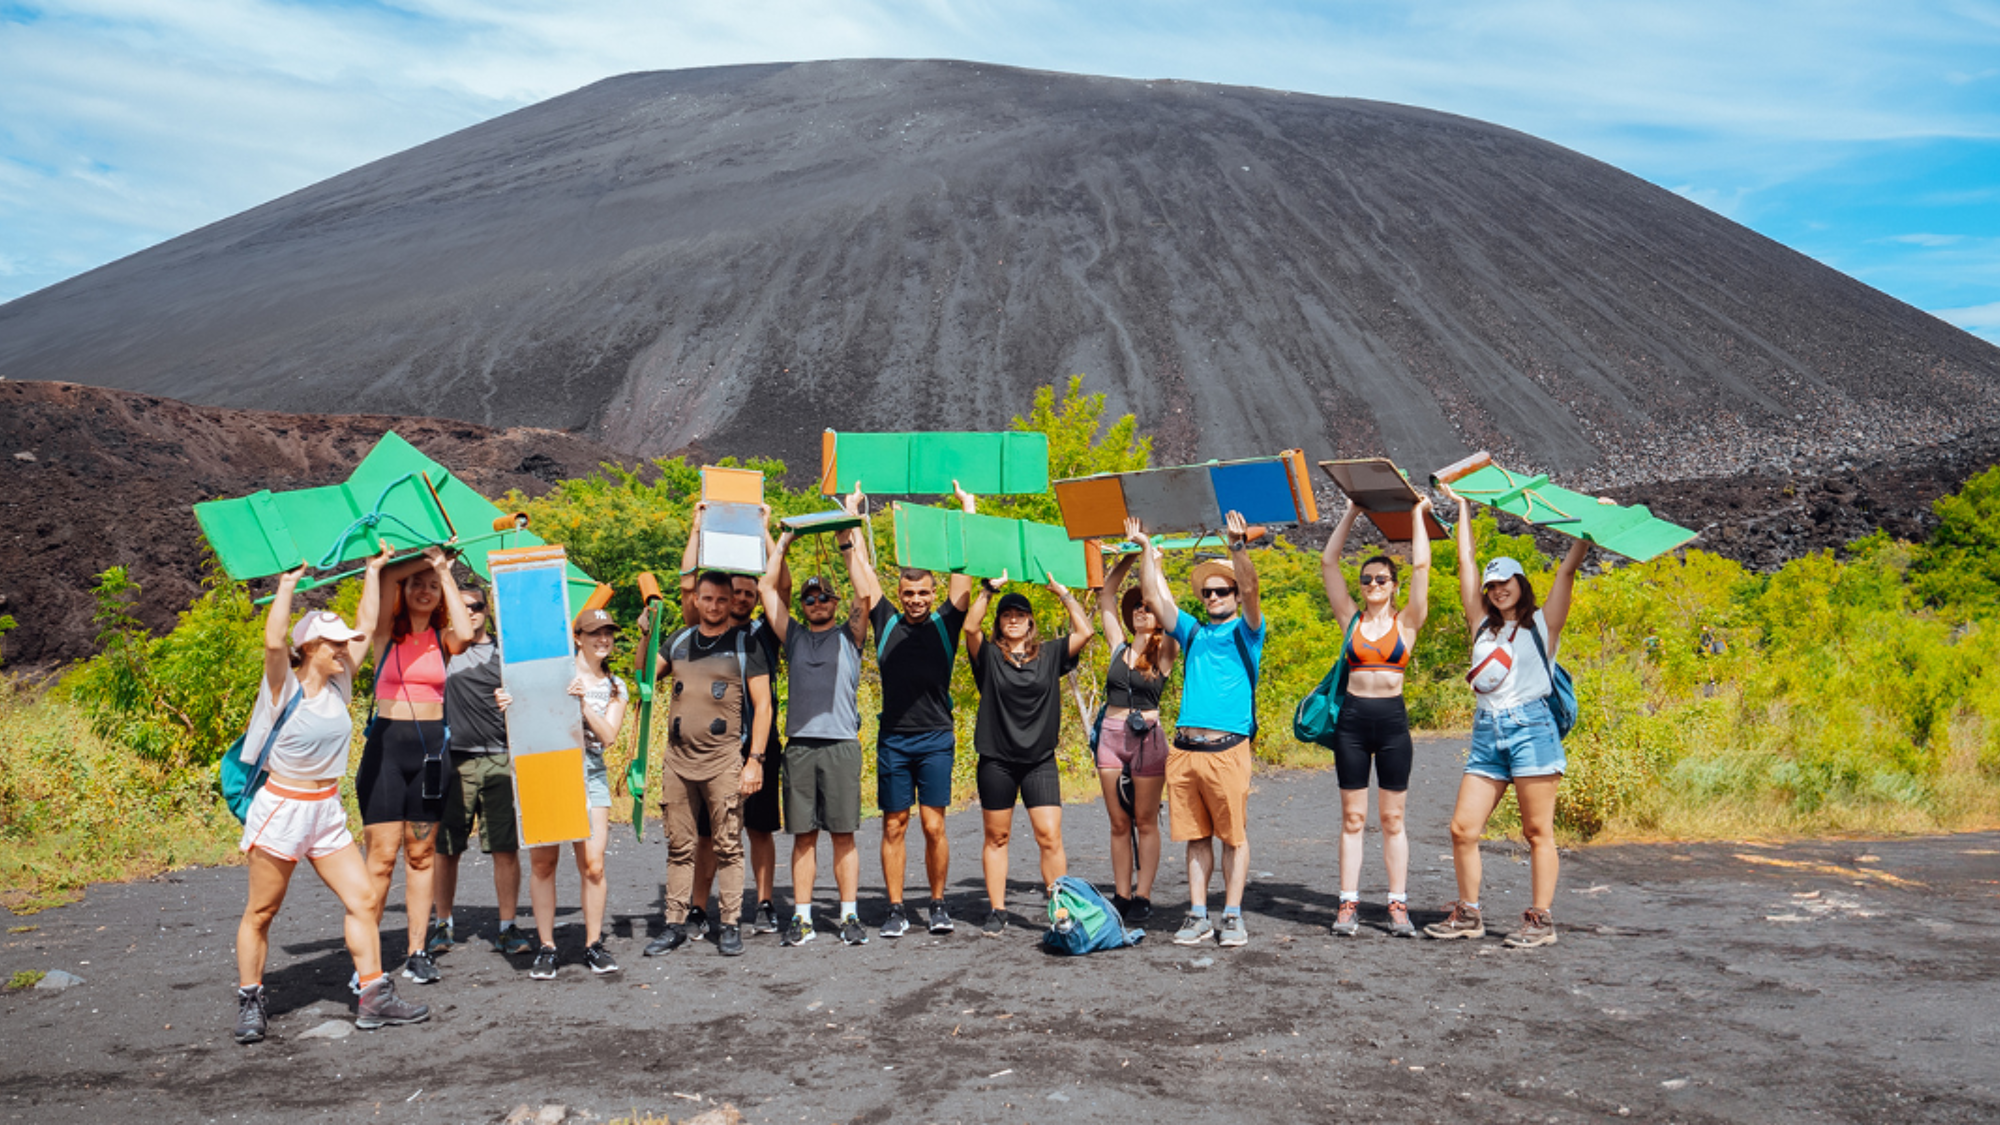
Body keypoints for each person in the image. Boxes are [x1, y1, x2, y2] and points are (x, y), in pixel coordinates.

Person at [234, 547, 428, 1042]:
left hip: (325, 811)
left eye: (345, 645)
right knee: (262, 911)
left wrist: (372, 570)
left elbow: (368, 620)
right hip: (282, 807)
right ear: (311, 647)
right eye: (334, 644)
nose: (344, 650)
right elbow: (274, 640)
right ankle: (251, 1000)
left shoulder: (341, 685)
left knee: (364, 899)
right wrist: (286, 586)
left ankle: (373, 996)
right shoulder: (282, 687)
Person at [1424, 483, 1588, 948]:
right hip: (1487, 732)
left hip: (1532, 728)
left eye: (1505, 583)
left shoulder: (1542, 624)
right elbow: (1465, 565)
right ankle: (1469, 913)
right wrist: (1462, 510)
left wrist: (1588, 531)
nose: (1497, 590)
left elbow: (1568, 573)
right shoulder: (1481, 625)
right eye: (1491, 585)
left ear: (1521, 584)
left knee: (1537, 831)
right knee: (1463, 828)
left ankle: (1540, 920)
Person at [1133, 512, 1265, 948]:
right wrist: (1146, 550)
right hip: (1186, 750)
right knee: (1194, 837)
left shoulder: (1248, 631)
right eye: (1207, 592)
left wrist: (1238, 548)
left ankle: (1232, 915)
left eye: (1220, 590)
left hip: (1228, 748)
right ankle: (1197, 914)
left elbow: (1252, 590)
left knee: (1233, 837)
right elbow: (1153, 595)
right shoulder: (1193, 633)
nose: (1212, 596)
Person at [757, 487, 879, 947]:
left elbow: (865, 593)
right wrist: (781, 542)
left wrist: (848, 530)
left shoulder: (851, 636)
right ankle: (803, 918)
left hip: (843, 744)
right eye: (809, 600)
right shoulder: (793, 637)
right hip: (801, 747)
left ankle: (848, 916)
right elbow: (769, 589)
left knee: (844, 835)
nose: (817, 604)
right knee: (803, 837)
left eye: (823, 598)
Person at [1318, 498, 1434, 938]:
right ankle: (1348, 903)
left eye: (1380, 578)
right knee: (1352, 818)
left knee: (1392, 820)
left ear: (1394, 585)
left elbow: (1422, 568)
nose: (1371, 583)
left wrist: (1415, 517)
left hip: (1391, 724)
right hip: (1351, 722)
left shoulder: (1407, 623)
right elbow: (1329, 562)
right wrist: (1351, 512)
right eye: (1366, 579)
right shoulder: (1350, 619)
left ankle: (1397, 904)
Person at [362, 545, 477, 985]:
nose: (425, 591)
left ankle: (416, 950)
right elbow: (387, 575)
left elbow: (465, 633)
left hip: (431, 754)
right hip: (386, 752)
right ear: (404, 589)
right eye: (418, 585)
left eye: (433, 588)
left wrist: (445, 572)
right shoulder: (382, 634)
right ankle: (367, 955)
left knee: (422, 853)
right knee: (381, 860)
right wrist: (426, 559)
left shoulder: (442, 640)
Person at [644, 570, 773, 958]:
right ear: (696, 600)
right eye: (708, 599)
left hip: (723, 762)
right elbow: (644, 675)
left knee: (728, 845)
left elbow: (764, 705)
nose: (715, 606)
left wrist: (755, 761)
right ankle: (674, 924)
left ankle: (730, 923)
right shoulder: (680, 640)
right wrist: (648, 632)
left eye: (722, 599)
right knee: (679, 846)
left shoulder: (745, 644)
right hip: (678, 762)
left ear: (730, 601)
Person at [870, 483, 978, 937]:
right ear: (900, 593)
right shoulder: (885, 620)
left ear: (933, 594)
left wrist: (967, 510)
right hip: (894, 738)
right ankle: (895, 908)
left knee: (934, 825)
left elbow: (963, 574)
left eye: (923, 593)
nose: (916, 599)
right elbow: (861, 575)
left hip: (936, 737)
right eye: (908, 592)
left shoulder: (945, 624)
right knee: (895, 824)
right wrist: (853, 520)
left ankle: (937, 904)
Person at [962, 571, 1093, 936]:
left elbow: (1085, 633)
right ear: (1000, 623)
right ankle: (998, 910)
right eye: (1007, 615)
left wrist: (1064, 593)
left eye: (1020, 614)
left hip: (1039, 760)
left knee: (1049, 835)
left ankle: (1060, 908)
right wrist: (989, 591)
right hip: (997, 760)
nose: (1014, 619)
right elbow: (970, 629)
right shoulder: (988, 657)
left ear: (1031, 620)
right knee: (997, 837)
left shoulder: (1050, 654)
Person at [678, 503, 785, 937]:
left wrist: (764, 530)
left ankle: (763, 903)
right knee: (708, 833)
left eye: (747, 593)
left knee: (759, 827)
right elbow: (688, 587)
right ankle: (700, 907)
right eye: (732, 592)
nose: (739, 599)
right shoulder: (705, 625)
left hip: (757, 743)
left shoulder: (765, 631)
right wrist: (696, 527)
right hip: (708, 745)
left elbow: (783, 581)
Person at [501, 608, 626, 978]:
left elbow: (608, 736)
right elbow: (523, 709)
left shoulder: (615, 685)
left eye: (608, 633)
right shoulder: (550, 675)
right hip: (548, 768)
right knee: (543, 863)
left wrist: (583, 703)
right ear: (577, 638)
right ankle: (548, 947)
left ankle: (592, 945)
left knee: (593, 864)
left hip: (590, 771)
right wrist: (507, 703)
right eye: (594, 633)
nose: (603, 639)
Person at [429, 584, 531, 957]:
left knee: (505, 848)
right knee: (447, 847)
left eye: (476, 606)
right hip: (453, 759)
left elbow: (531, 700)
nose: (469, 612)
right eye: (462, 606)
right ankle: (442, 924)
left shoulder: (507, 656)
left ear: (488, 610)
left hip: (500, 758)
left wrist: (514, 702)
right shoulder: (441, 649)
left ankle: (507, 927)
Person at [1093, 553, 1176, 923]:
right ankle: (1121, 893)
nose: (1142, 611)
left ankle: (1143, 894)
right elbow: (1106, 596)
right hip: (1110, 736)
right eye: (1138, 607)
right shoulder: (1118, 646)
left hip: (1148, 740)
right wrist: (1128, 557)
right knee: (1117, 822)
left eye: (1147, 606)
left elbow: (1170, 608)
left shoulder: (1166, 650)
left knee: (1145, 820)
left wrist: (1154, 566)